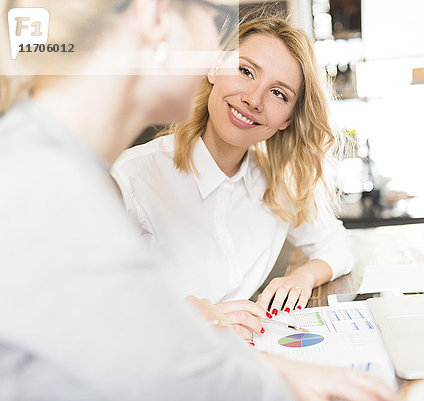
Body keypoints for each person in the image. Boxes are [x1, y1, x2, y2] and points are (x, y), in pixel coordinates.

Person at [0, 1, 394, 400]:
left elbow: (121, 335)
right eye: (213, 17)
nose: (216, 50)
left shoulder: (59, 164)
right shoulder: (56, 185)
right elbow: (151, 360)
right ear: (156, 20)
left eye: (276, 92)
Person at [111, 15, 353, 335]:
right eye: (245, 71)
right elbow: (84, 299)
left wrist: (301, 278)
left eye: (278, 93)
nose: (253, 99)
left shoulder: (277, 183)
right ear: (215, 69)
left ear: (287, 120)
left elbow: (338, 247)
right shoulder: (131, 178)